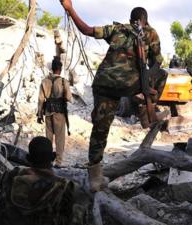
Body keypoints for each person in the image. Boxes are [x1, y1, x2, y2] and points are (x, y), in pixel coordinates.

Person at [60, 0, 166, 192]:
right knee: (163, 74)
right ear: (145, 20)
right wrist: (148, 84)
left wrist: (70, 9)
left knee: (100, 129)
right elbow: (157, 63)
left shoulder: (117, 29)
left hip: (103, 84)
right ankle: (146, 110)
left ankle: (94, 177)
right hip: (128, 86)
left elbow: (87, 30)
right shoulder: (150, 33)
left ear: (131, 19)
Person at [0, 136, 75, 225]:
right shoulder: (64, 187)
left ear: (28, 158)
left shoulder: (11, 175)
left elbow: (0, 206)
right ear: (53, 157)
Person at [37, 56, 72, 167]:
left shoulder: (44, 81)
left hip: (47, 112)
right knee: (59, 138)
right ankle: (58, 162)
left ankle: (47, 161)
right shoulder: (63, 81)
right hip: (59, 113)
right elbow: (68, 98)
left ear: (52, 68)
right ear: (60, 69)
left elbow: (41, 99)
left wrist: (39, 114)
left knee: (48, 139)